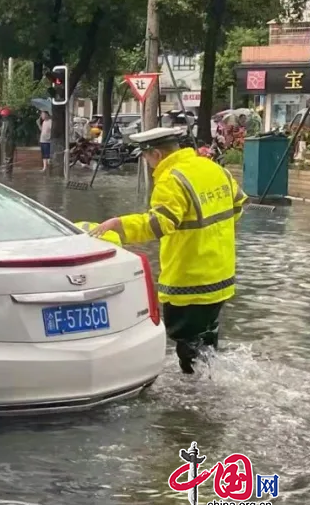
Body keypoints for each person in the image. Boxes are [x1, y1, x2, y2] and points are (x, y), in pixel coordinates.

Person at [90, 127, 247, 374]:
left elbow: (158, 224)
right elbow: (238, 206)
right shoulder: (214, 168)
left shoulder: (171, 180)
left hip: (190, 278)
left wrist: (119, 225)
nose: (146, 163)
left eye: (145, 157)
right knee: (207, 336)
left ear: (156, 154)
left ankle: (195, 395)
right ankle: (210, 382)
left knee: (186, 340)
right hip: (222, 274)